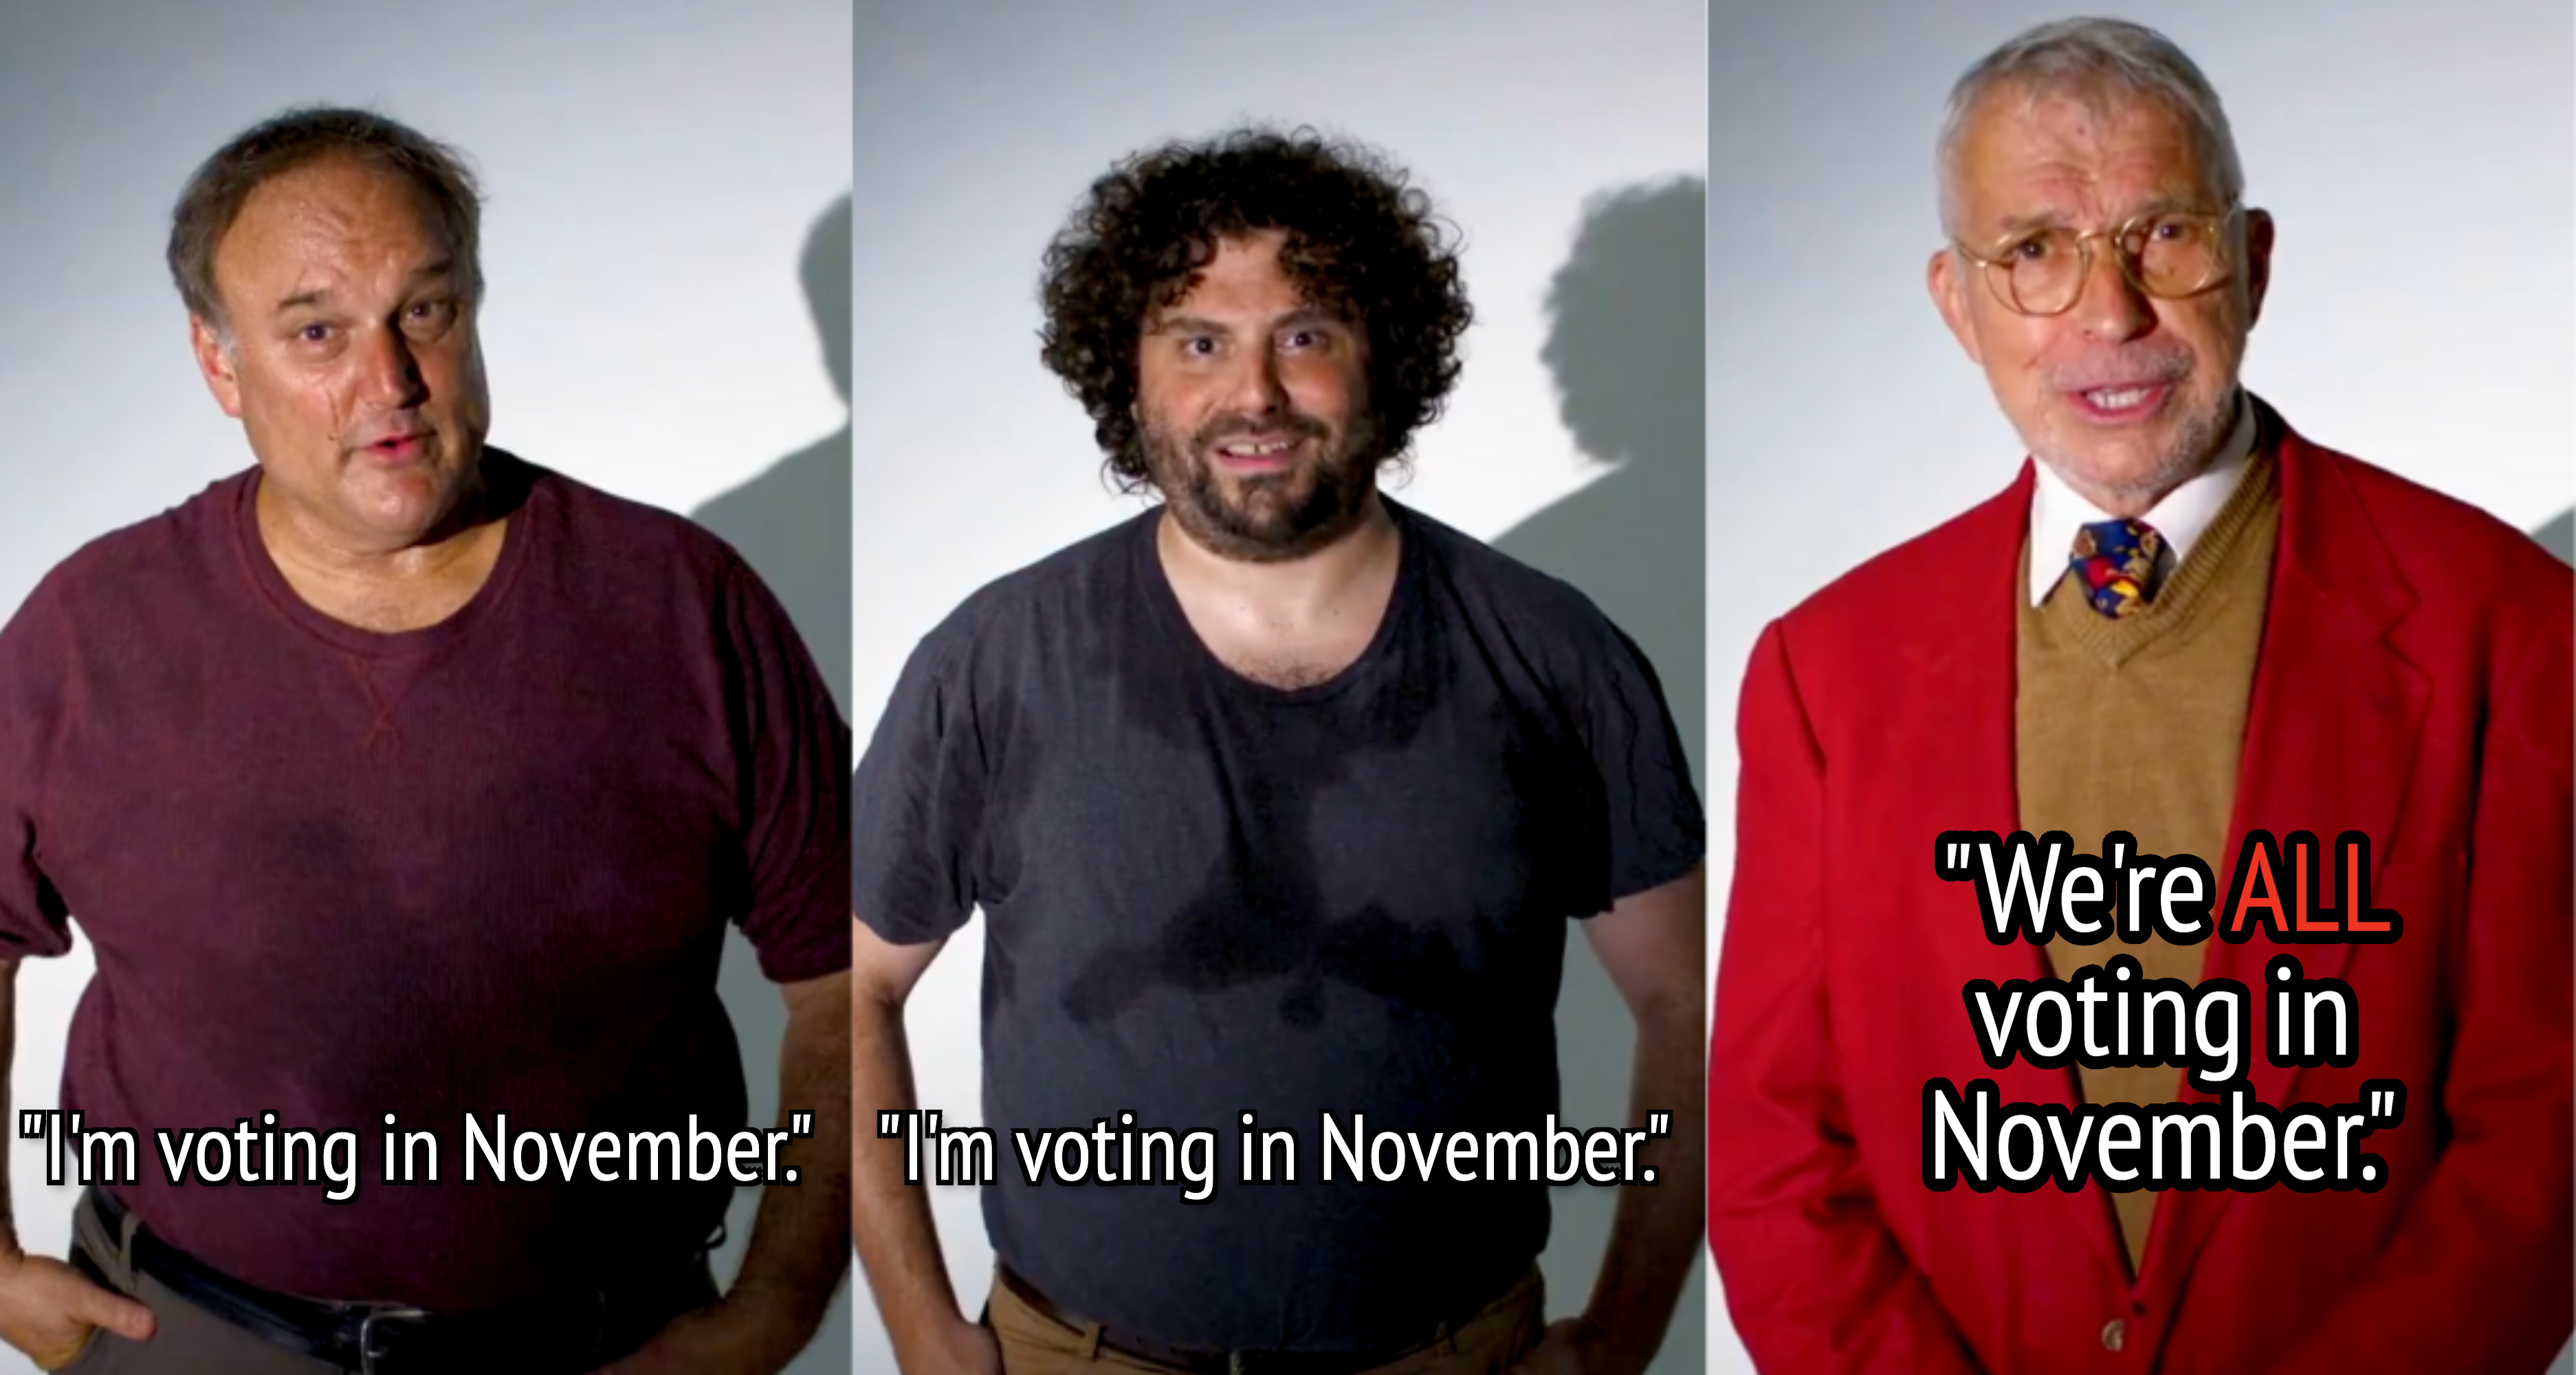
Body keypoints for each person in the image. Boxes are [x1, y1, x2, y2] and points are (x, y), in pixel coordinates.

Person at [1707, 18, 2571, 1373]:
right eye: (2034, 252)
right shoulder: (1824, 672)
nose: (2107, 314)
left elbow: (2540, 1155)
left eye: (2160, 233)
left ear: (2252, 261)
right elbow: (1772, 1158)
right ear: (1957, 304)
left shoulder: (2512, 627)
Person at [0, 107, 853, 1373]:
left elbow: (847, 981)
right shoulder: (91, 629)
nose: (390, 382)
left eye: (426, 312)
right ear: (220, 365)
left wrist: (775, 1310)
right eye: (316, 333)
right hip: (194, 1329)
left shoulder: (684, 604)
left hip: (607, 1344)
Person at [852, 129, 1706, 1375]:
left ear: (1383, 361)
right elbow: (860, 986)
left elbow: (1686, 1002)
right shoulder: (994, 662)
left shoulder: (1556, 656)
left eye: (1305, 334)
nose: (1254, 392)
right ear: (1129, 375)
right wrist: (924, 1337)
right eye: (1200, 341)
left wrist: (1622, 1334)